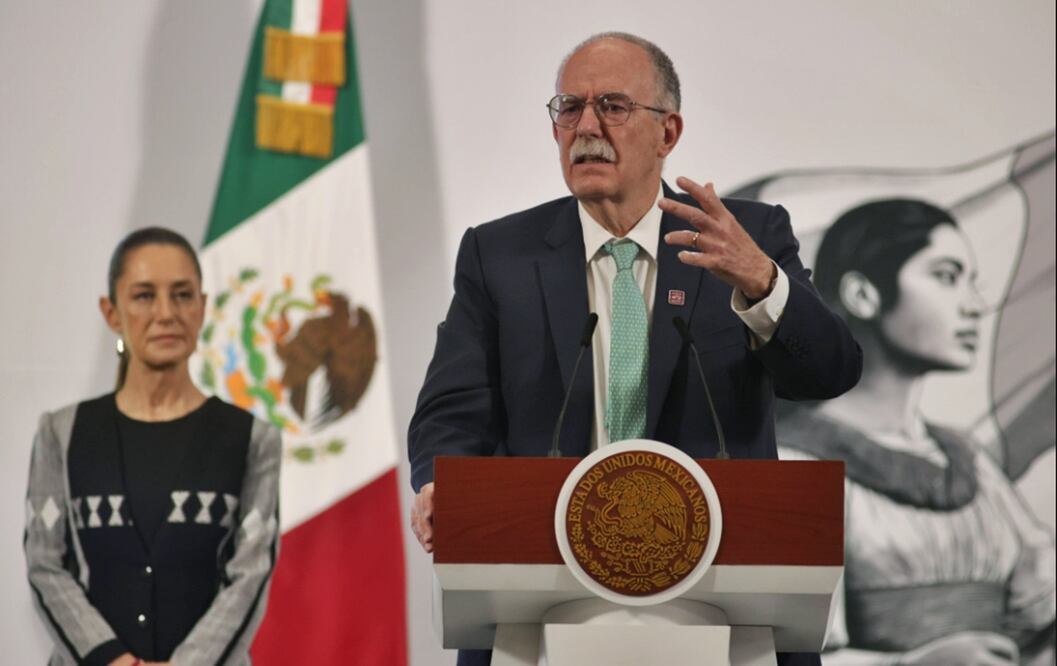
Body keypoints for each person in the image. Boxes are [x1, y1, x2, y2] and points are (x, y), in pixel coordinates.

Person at [408, 32, 862, 666]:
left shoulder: (744, 238)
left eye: (613, 106)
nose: (586, 127)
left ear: (668, 133)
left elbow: (831, 372)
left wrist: (761, 281)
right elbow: (452, 409)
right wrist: (438, 481)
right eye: (569, 107)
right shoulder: (499, 254)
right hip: (536, 606)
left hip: (728, 609)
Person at [778, 199, 1056, 665]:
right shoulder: (798, 465)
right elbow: (790, 654)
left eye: (972, 283)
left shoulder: (967, 460)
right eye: (947, 277)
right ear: (863, 294)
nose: (974, 306)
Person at [24, 227, 282, 666]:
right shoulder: (60, 433)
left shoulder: (252, 438)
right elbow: (45, 566)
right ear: (112, 312)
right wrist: (113, 661)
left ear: (202, 307)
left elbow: (251, 571)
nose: (166, 313)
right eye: (144, 296)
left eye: (182, 295)